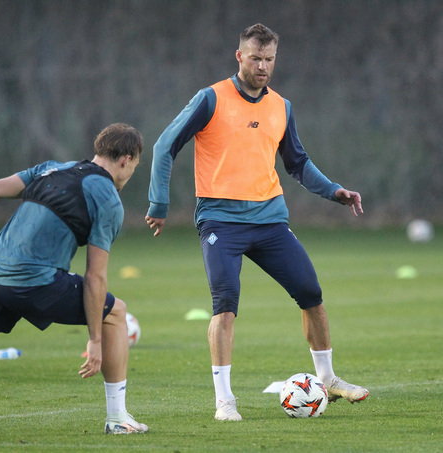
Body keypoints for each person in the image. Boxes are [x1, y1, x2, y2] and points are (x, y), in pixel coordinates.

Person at [145, 23, 369, 421]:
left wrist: (334, 191)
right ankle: (224, 402)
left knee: (311, 292)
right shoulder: (210, 99)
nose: (263, 66)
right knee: (225, 305)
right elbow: (165, 146)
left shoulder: (281, 106)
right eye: (256, 58)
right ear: (239, 57)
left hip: (269, 221)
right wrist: (158, 202)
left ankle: (329, 379)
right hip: (220, 222)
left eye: (269, 59)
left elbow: (297, 163)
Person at [0, 123, 149, 434]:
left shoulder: (52, 168)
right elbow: (95, 276)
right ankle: (118, 419)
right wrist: (94, 340)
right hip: (34, 282)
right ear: (126, 159)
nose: (130, 173)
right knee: (116, 313)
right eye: (134, 166)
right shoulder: (107, 199)